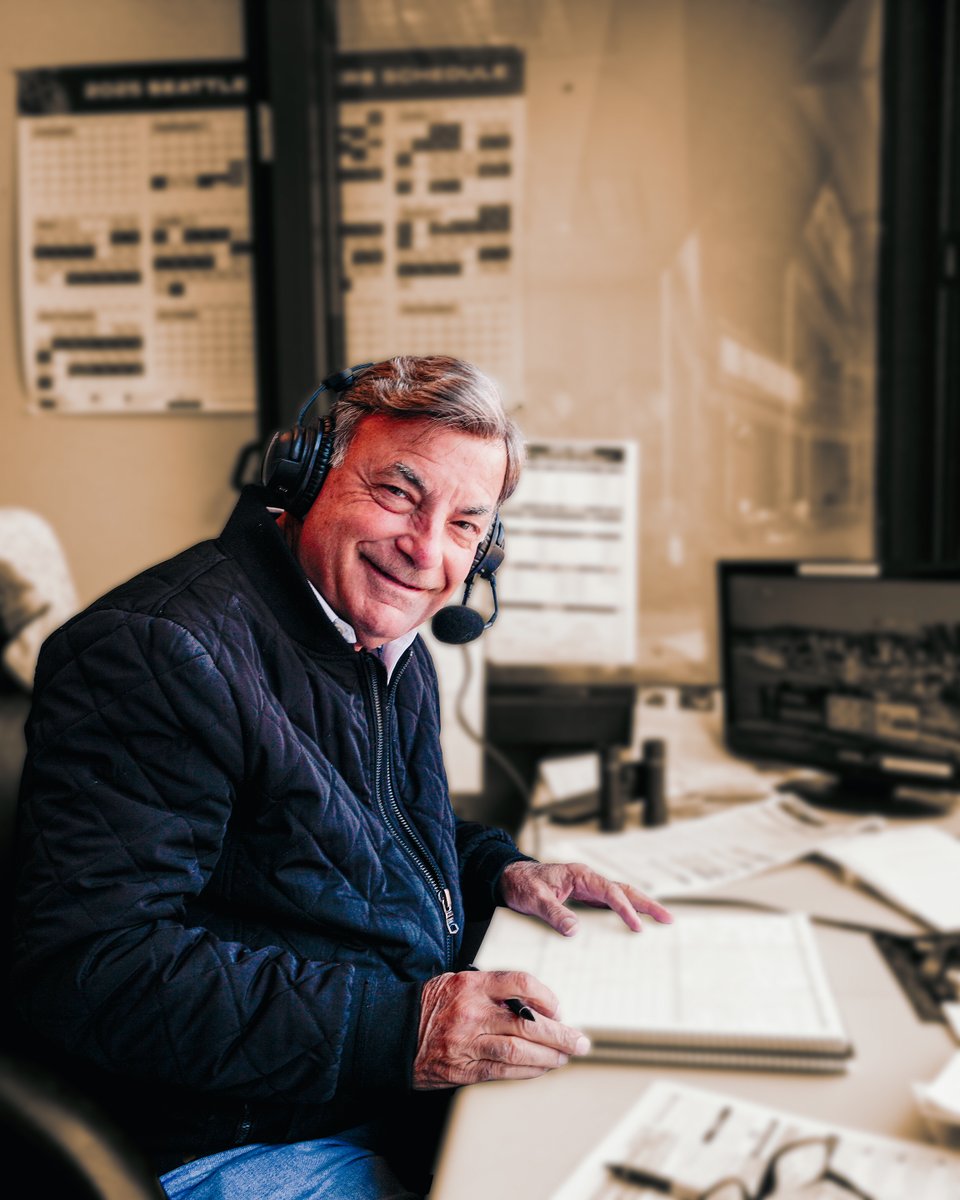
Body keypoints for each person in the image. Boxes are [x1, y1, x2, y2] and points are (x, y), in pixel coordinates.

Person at [11, 356, 671, 1199]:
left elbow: (371, 833)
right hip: (234, 1138)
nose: (426, 551)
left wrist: (501, 869)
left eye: (466, 525)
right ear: (306, 474)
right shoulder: (158, 652)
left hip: (359, 1091)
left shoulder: (386, 645)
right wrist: (404, 1029)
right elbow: (92, 967)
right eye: (399, 493)